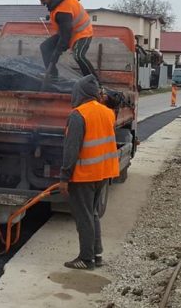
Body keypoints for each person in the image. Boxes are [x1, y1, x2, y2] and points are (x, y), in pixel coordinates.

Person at [59, 74, 119, 270]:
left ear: (80, 93)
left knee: (84, 216)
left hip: (85, 174)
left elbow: (71, 150)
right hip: (104, 172)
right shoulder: (108, 112)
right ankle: (96, 255)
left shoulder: (79, 115)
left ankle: (86, 259)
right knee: (92, 214)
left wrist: (64, 178)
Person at [34, 0, 96, 82]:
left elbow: (65, 38)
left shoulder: (63, 12)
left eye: (43, 0)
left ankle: (95, 83)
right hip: (67, 30)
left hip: (82, 31)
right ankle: (53, 76)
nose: (41, 3)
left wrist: (56, 55)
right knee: (45, 47)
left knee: (78, 55)